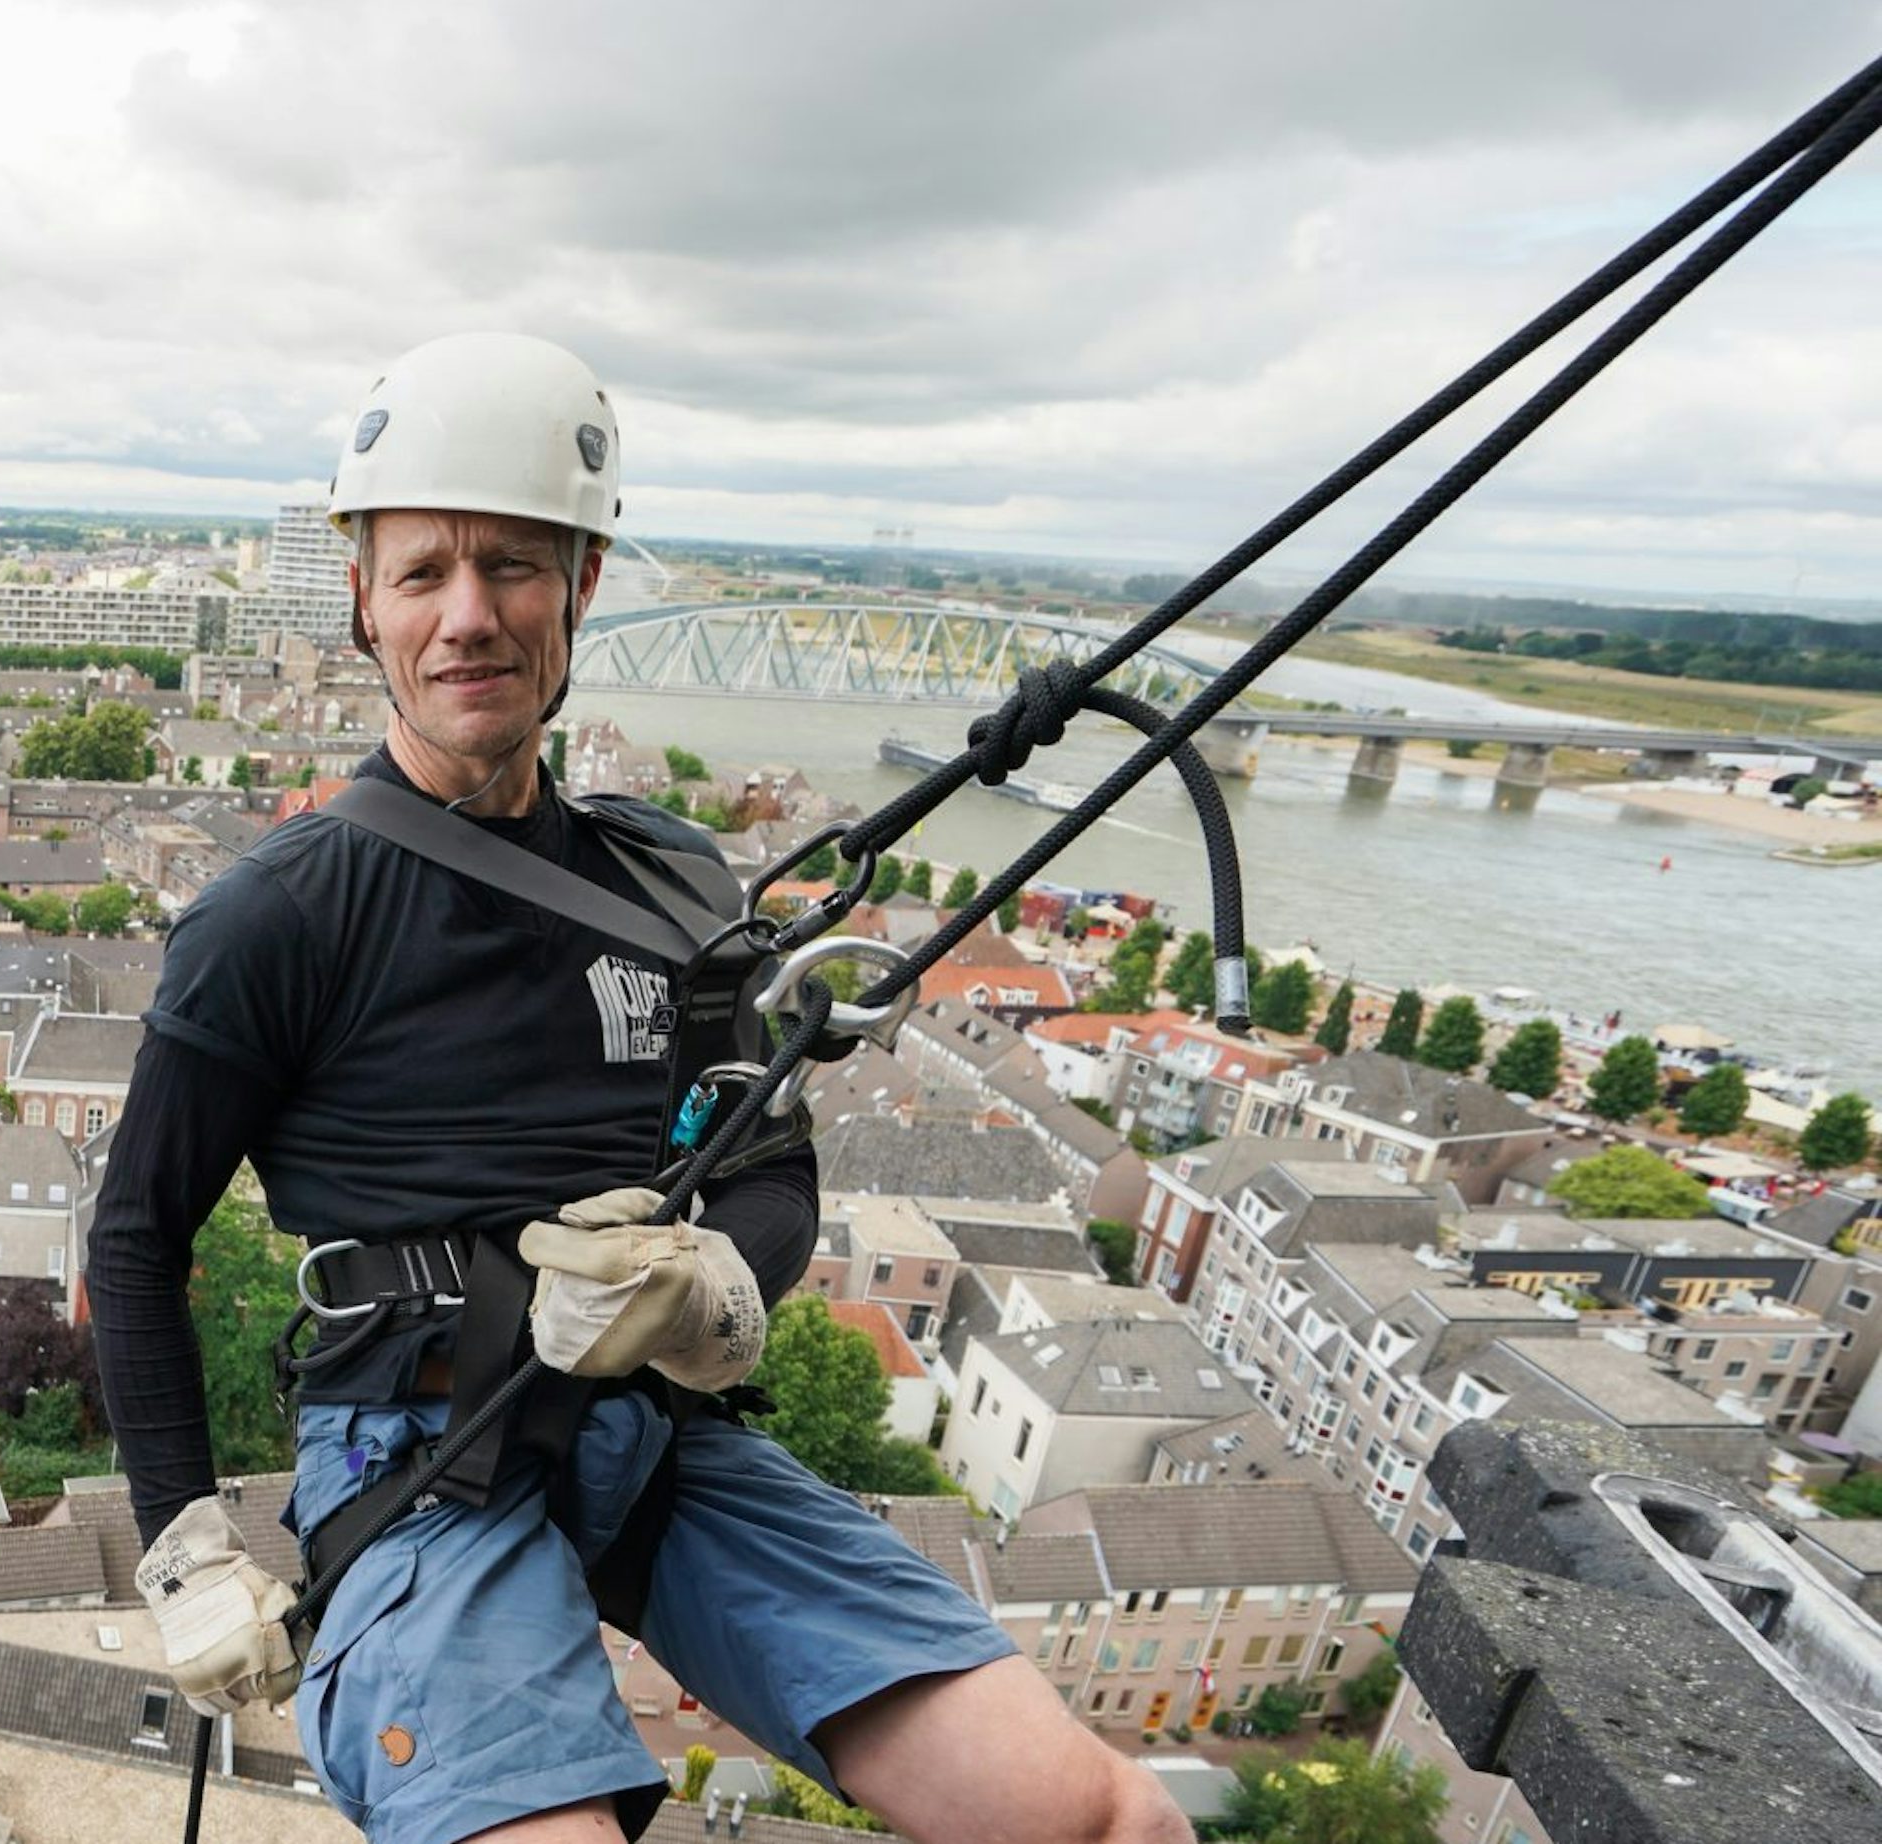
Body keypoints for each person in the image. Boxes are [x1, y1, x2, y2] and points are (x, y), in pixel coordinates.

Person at [90, 333, 1187, 1844]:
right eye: (423, 575)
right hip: (419, 1457)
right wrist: (185, 1548)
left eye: (512, 566)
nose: (468, 616)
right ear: (363, 604)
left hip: (655, 1437)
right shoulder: (278, 918)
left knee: (1112, 1824)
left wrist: (707, 1289)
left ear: (583, 584)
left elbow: (767, 1170)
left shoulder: (672, 885)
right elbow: (135, 1236)